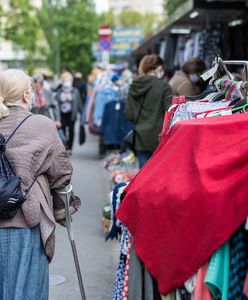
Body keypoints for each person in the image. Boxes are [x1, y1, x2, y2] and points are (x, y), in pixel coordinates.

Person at [0, 69, 80, 299]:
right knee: (26, 288)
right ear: (27, 95)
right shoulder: (41, 125)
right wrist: (63, 210)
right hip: (26, 217)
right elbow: (61, 174)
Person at [125, 54, 172, 168]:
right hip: (159, 137)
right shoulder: (163, 86)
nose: (162, 72)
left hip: (140, 137)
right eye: (161, 69)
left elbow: (129, 114)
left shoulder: (134, 86)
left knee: (143, 174)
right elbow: (170, 111)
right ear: (155, 69)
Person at [55, 72, 83, 154]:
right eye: (65, 80)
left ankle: (70, 148)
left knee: (71, 131)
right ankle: (64, 146)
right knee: (62, 131)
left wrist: (82, 115)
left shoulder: (75, 91)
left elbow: (79, 103)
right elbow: (56, 101)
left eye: (68, 80)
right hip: (61, 113)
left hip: (72, 114)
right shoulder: (59, 90)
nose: (67, 82)